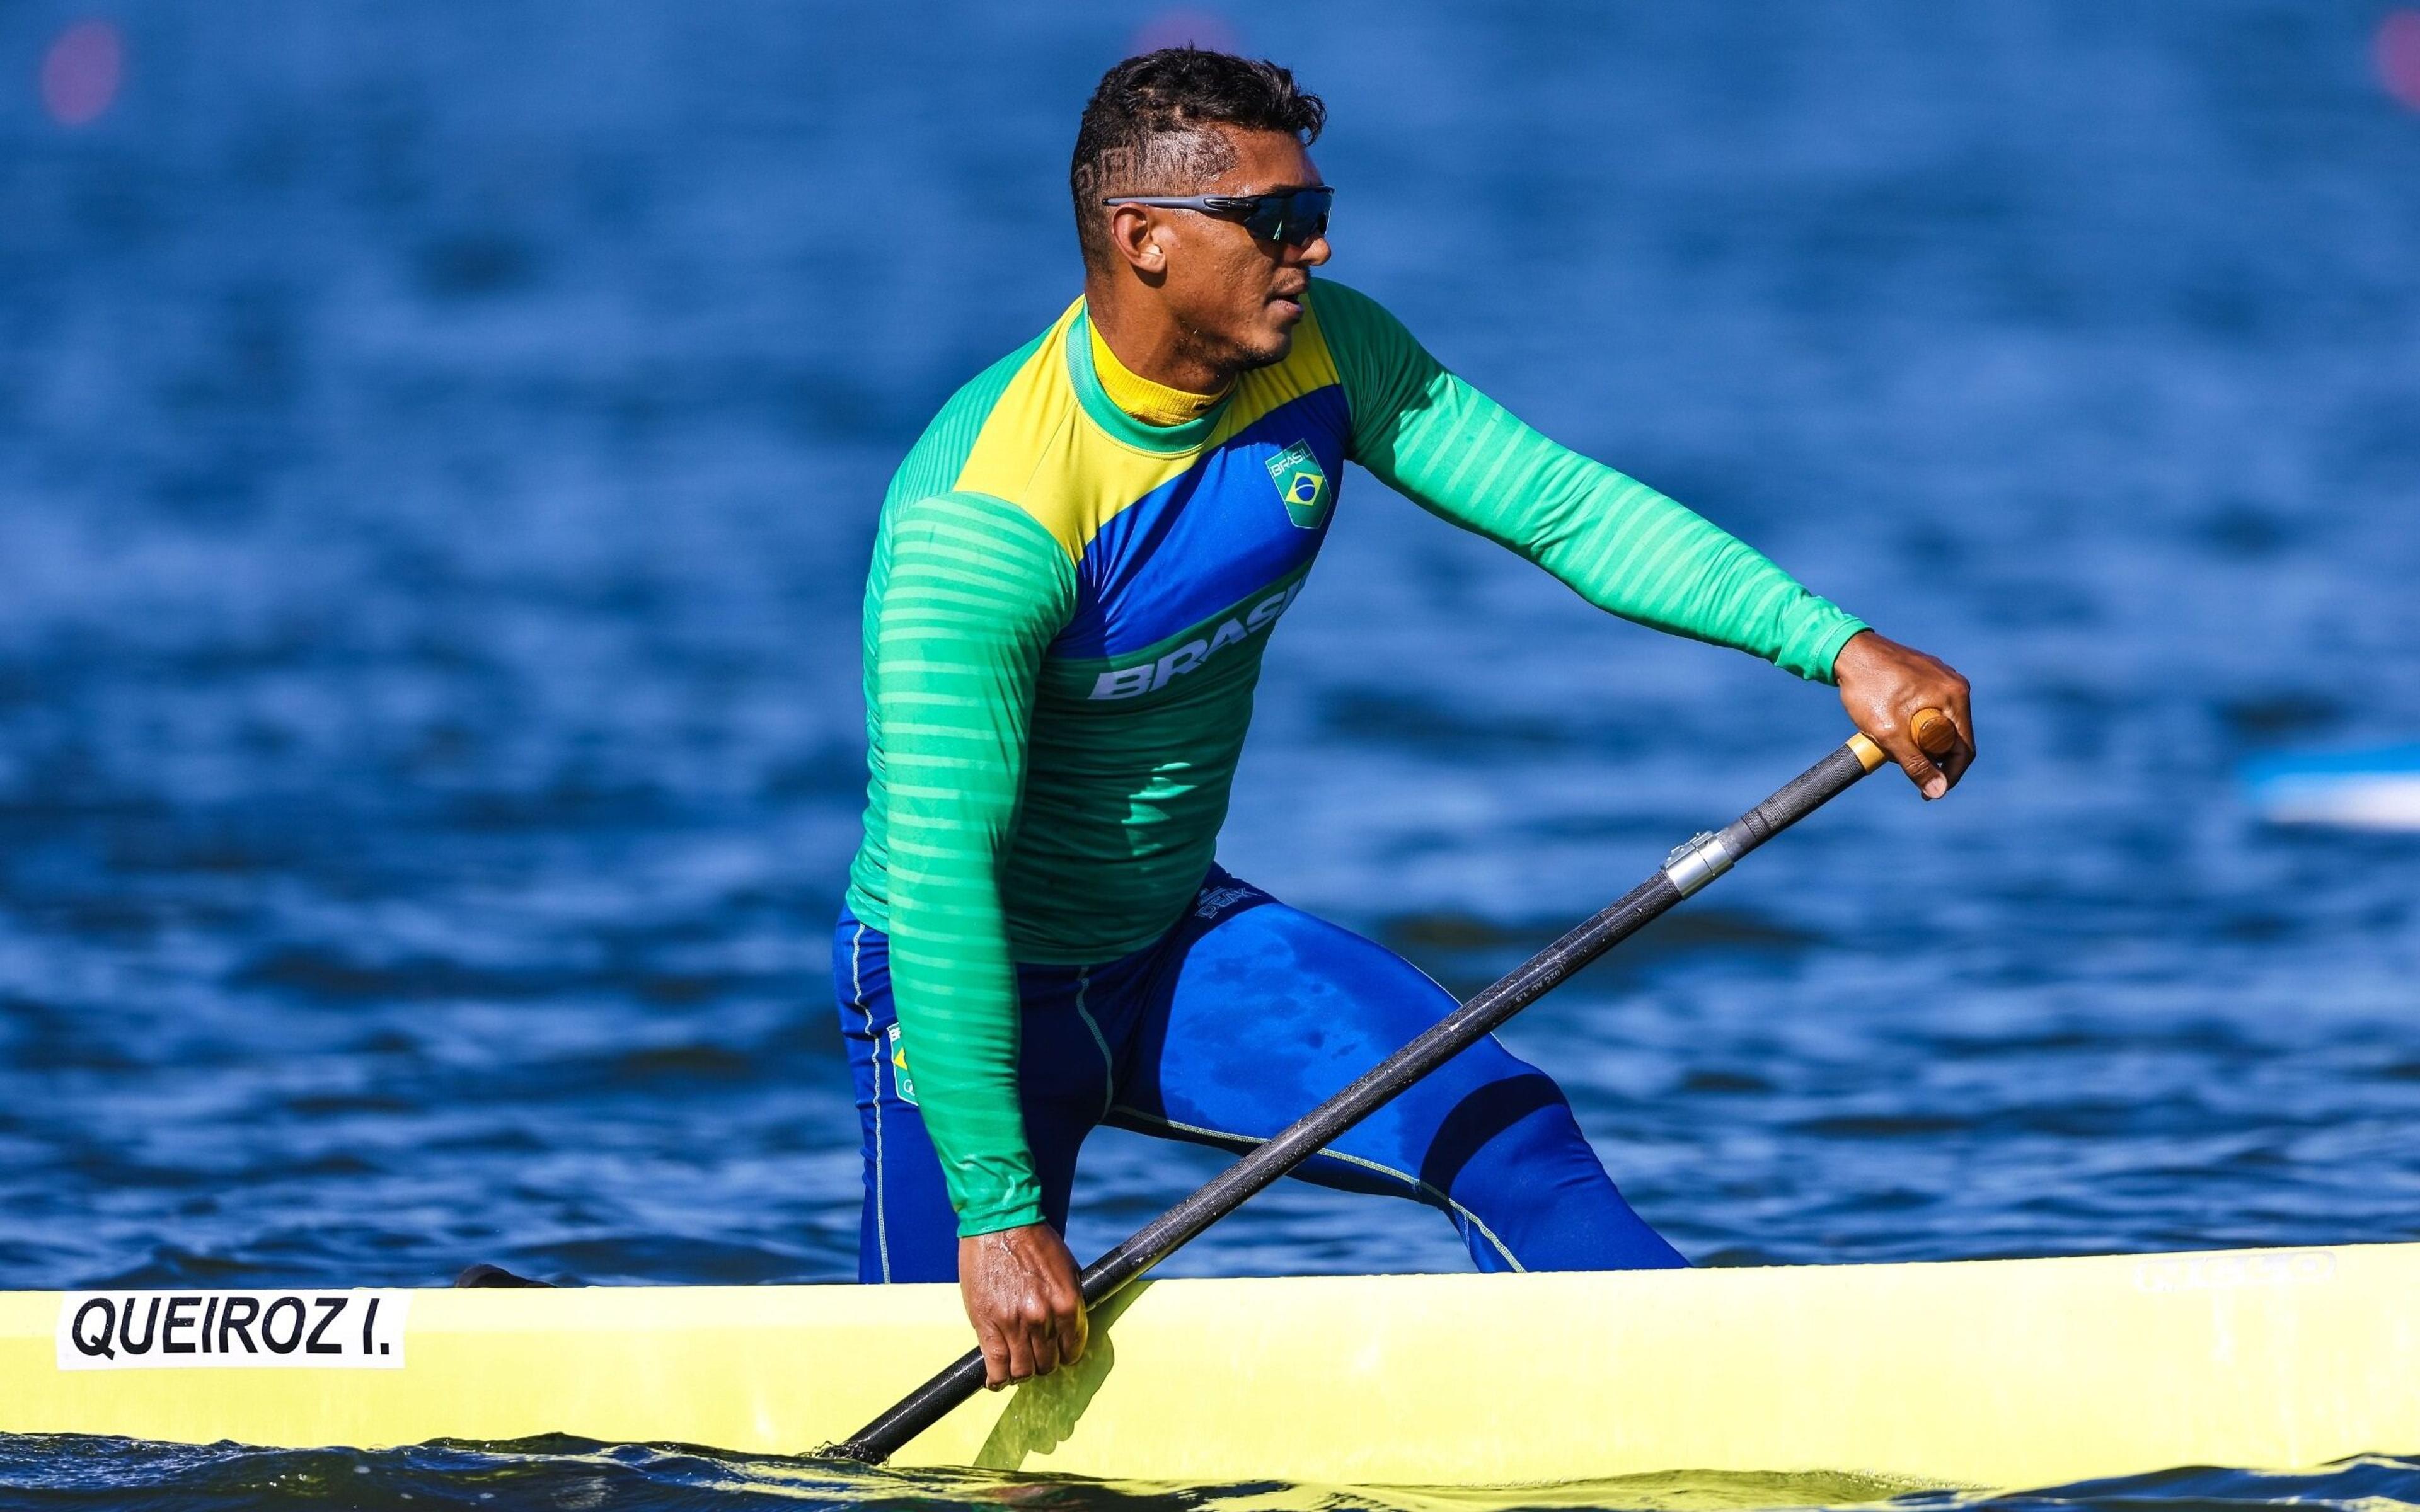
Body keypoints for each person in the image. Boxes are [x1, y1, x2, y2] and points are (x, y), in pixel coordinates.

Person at [836, 47, 1973, 1391]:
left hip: (1172, 951)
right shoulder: (984, 523)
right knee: (930, 1416)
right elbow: (947, 881)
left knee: (1510, 1134)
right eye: (1272, 221)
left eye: (1313, 210)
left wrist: (1835, 645)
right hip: (961, 1000)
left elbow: (1562, 505)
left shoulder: (1325, 356)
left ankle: (1715, 1418)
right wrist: (996, 1211)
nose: (1310, 247)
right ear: (1143, 239)